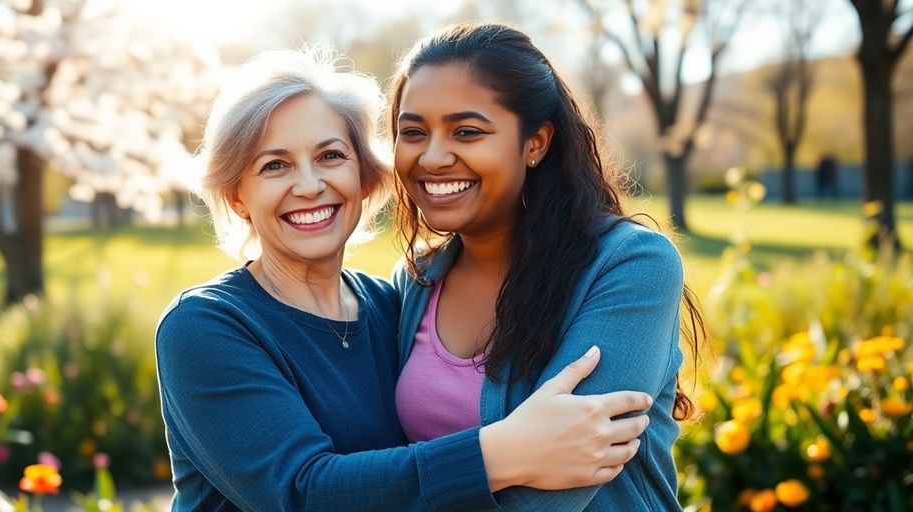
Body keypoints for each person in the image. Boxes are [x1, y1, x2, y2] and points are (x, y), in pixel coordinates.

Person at [155, 48, 655, 511]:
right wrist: (501, 453)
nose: (309, 186)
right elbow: (300, 492)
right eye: (274, 166)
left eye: (331, 156)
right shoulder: (204, 327)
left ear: (366, 176)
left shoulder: (392, 303)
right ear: (237, 196)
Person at [389, 23, 705, 510]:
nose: (432, 157)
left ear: (535, 143)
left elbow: (551, 500)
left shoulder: (630, 266)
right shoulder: (415, 281)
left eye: (467, 131)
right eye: (413, 132)